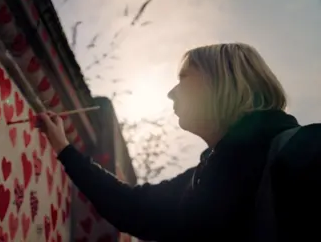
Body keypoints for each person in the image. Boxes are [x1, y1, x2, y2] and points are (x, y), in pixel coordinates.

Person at [37, 43, 321, 242]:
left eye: (184, 78)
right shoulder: (203, 178)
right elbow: (132, 206)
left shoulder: (306, 150)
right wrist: (63, 147)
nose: (171, 93)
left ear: (223, 83)